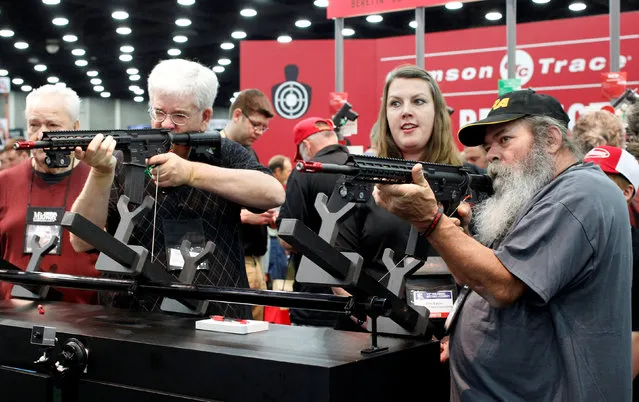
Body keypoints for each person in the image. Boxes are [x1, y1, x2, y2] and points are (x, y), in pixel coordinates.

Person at [374, 89, 632, 401]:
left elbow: (503, 285)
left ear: (550, 139)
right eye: (488, 146)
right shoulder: (546, 194)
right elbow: (494, 278)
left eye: (504, 139)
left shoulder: (579, 194)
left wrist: (431, 222)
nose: (491, 154)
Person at [69, 59, 285, 319]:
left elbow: (274, 193)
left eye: (179, 115)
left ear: (205, 117)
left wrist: (192, 172)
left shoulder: (223, 152)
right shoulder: (123, 156)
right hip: (131, 313)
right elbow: (81, 241)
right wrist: (101, 172)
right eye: (158, 112)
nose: (166, 124)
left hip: (213, 313)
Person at [0, 84, 100, 303]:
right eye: (34, 125)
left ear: (75, 128)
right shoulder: (4, 183)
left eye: (52, 125)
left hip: (83, 320)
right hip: (12, 320)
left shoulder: (99, 181)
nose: (41, 134)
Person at [277, 116, 353, 327]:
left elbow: (287, 239)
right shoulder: (362, 170)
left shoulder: (305, 172)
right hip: (362, 296)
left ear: (306, 146)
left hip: (316, 298)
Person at [582, 145, 639, 382]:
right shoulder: (565, 241)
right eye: (580, 178)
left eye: (600, 179)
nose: (585, 188)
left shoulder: (636, 248)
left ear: (627, 192)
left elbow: (636, 333)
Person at [220, 88, 276, 320]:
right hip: (231, 260)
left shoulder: (248, 154)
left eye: (264, 127)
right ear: (237, 115)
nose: (259, 132)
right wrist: (244, 216)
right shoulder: (214, 152)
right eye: (255, 124)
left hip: (254, 258)